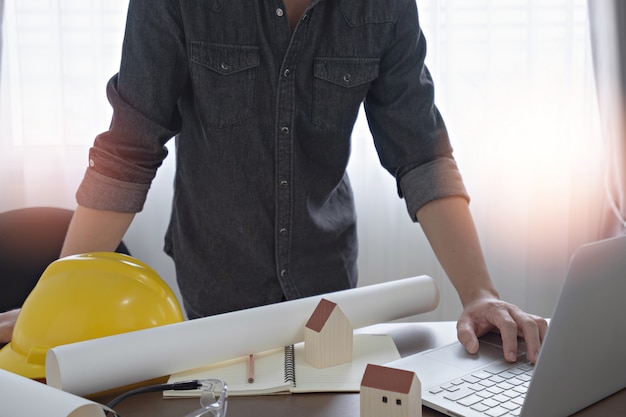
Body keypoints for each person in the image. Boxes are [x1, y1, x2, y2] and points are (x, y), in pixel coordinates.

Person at [0, 0, 546, 363]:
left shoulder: (384, 7)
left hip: (327, 277)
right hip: (216, 277)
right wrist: (52, 302)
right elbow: (128, 150)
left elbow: (422, 153)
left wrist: (479, 293)